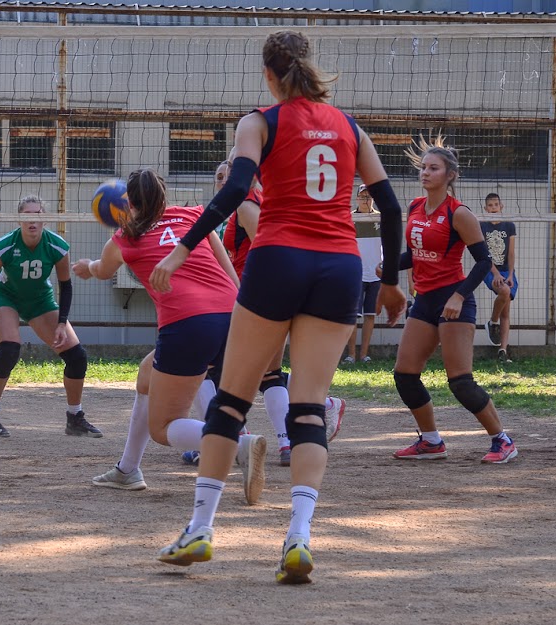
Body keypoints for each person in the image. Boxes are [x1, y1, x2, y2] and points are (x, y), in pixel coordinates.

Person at [148, 31, 406, 583]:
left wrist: (182, 247)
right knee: (309, 408)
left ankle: (199, 530)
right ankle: (299, 538)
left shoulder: (259, 121)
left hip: (278, 257)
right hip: (338, 266)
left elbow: (234, 191)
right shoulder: (349, 127)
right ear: (310, 68)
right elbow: (388, 204)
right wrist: (390, 279)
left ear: (268, 73)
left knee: (232, 400)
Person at [72, 169, 266, 501]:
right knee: (147, 375)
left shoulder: (124, 238)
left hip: (188, 326)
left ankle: (237, 443)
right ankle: (127, 470)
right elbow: (228, 271)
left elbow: (102, 271)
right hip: (233, 317)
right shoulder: (194, 216)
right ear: (166, 195)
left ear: (129, 203)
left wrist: (86, 267)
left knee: (163, 429)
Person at [390, 136, 517, 465]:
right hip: (426, 299)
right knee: (404, 374)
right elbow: (417, 254)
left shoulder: (459, 213)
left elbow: (483, 261)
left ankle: (502, 441)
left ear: (450, 175)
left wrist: (460, 295)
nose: (425, 173)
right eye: (423, 167)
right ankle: (431, 441)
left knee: (460, 381)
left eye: (433, 168)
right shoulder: (416, 207)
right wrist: (387, 266)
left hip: (453, 299)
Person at [212, 158, 346, 468]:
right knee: (266, 373)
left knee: (228, 369)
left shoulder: (248, 203)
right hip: (264, 292)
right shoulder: (240, 206)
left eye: (229, 173)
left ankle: (225, 438)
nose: (223, 181)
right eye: (219, 176)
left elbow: (270, 246)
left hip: (264, 294)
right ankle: (286, 442)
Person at [0, 195, 100, 438]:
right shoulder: (4, 246)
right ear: (20, 219)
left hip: (40, 300)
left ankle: (75, 417)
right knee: (9, 349)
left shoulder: (57, 246)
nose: (33, 221)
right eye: (27, 216)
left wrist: (62, 323)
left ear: (45, 218)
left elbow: (66, 286)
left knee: (77, 357)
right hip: (7, 296)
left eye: (38, 215)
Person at [343, 183, 383, 364]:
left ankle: (364, 355)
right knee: (353, 316)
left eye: (369, 196)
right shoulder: (350, 219)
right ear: (357, 198)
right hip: (355, 275)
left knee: (370, 316)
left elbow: (388, 246)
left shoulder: (380, 218)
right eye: (363, 196)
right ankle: (351, 355)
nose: (366, 199)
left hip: (376, 274)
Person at [480, 193, 518, 362]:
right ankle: (492, 323)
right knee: (504, 291)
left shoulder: (509, 225)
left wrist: (510, 274)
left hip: (505, 271)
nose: (493, 208)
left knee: (506, 306)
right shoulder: (482, 226)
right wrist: (495, 273)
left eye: (496, 204)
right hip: (489, 269)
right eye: (490, 205)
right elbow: (484, 254)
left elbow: (510, 253)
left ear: (501, 206)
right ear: (485, 208)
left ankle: (503, 350)